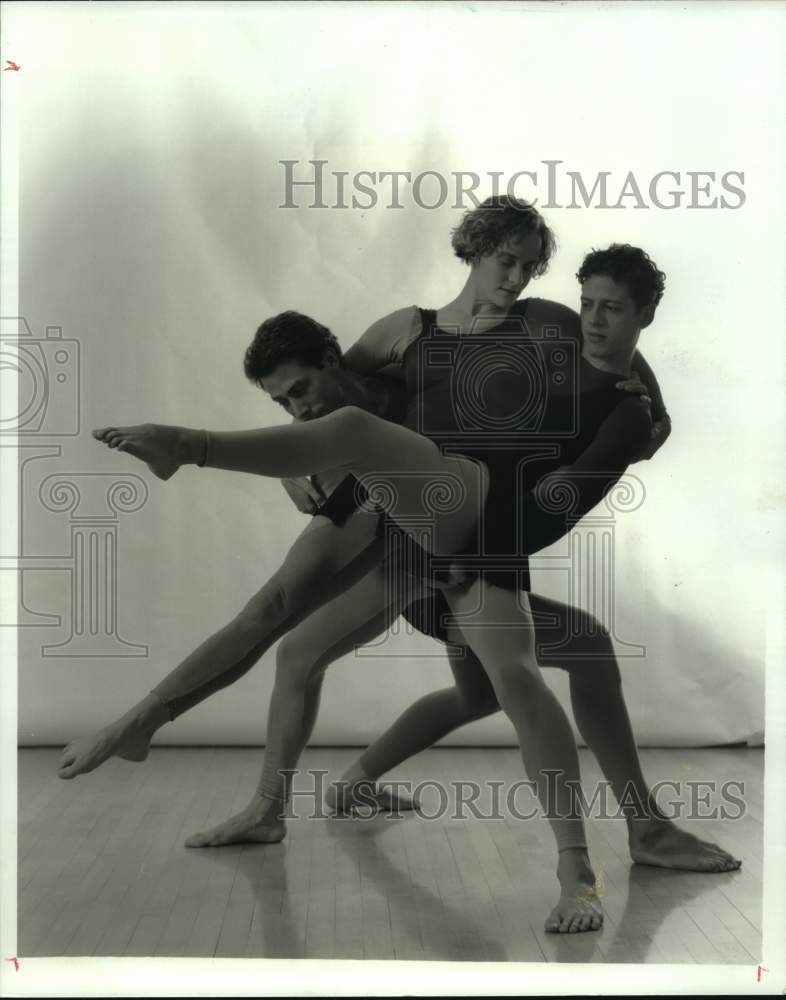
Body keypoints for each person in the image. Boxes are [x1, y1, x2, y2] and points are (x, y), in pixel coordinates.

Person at [87, 218, 739, 933]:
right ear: (471, 254)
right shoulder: (408, 332)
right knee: (297, 638)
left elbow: (616, 369)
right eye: (503, 261)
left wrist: (652, 419)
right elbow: (325, 402)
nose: (517, 279)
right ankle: (246, 788)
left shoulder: (544, 328)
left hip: (468, 517)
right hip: (395, 522)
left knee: (517, 674)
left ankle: (591, 856)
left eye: (528, 266)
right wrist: (295, 472)